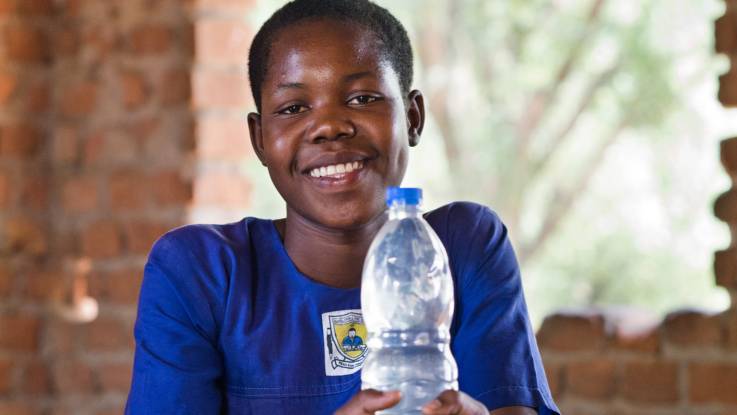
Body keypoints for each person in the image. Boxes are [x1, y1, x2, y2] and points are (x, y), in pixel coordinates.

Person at [125, 0, 560, 414]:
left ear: (413, 117)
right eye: (294, 107)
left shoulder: (464, 246)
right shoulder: (201, 272)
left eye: (362, 98)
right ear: (260, 139)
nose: (330, 126)